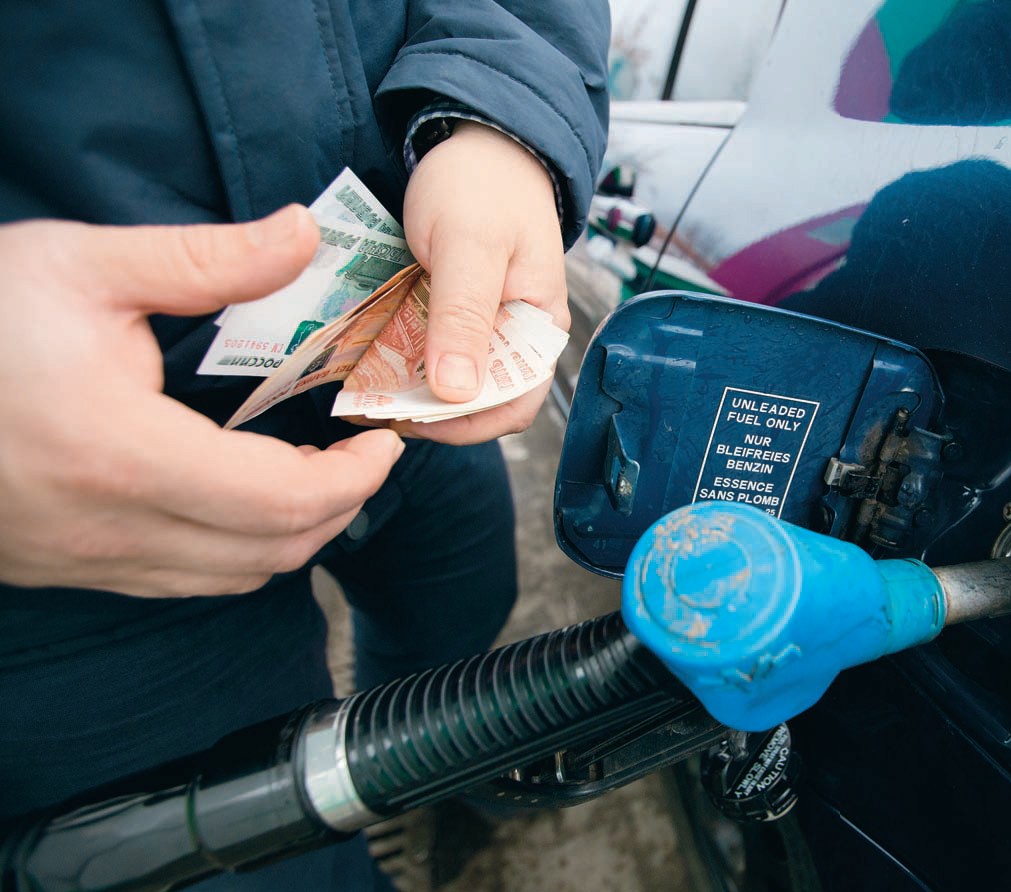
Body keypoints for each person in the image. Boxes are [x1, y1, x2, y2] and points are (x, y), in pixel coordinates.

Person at [0, 1, 610, 888]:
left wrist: (499, 119)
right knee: (271, 861)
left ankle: (438, 779)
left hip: (403, 382)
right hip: (75, 540)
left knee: (459, 640)